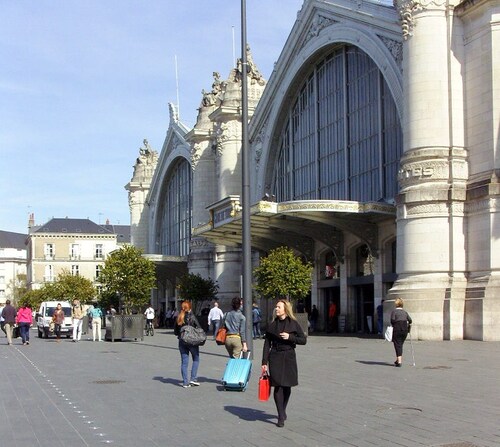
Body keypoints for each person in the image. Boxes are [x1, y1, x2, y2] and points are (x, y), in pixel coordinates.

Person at [261, 299, 307, 428]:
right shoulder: (272, 325)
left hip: (289, 356)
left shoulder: (293, 323)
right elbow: (266, 345)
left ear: (285, 309)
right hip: (275, 356)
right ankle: (280, 415)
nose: (276, 309)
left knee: (287, 386)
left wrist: (290, 337)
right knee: (278, 386)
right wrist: (264, 362)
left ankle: (283, 409)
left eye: (279, 307)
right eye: (276, 307)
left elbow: (303, 340)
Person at [174, 301, 201, 388]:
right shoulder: (192, 316)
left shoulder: (179, 317)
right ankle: (193, 379)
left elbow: (175, 331)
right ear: (189, 307)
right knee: (196, 359)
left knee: (184, 362)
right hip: (192, 341)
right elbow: (199, 328)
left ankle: (185, 382)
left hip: (182, 341)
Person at [390, 298, 412, 367]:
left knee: (397, 344)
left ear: (396, 304)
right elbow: (410, 320)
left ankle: (399, 361)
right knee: (400, 344)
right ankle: (398, 359)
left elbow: (392, 320)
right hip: (404, 330)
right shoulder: (405, 312)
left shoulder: (394, 312)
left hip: (397, 330)